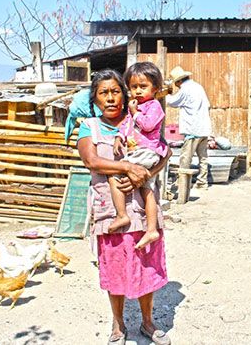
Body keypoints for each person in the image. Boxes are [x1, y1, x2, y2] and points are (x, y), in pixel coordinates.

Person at [76, 69, 172, 345]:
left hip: (142, 207)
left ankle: (147, 322)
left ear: (125, 93)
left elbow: (165, 152)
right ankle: (118, 325)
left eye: (115, 91)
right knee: (114, 267)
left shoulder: (139, 122)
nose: (110, 98)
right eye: (103, 93)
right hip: (110, 209)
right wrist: (128, 167)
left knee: (145, 265)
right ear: (95, 99)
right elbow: (92, 161)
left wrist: (147, 174)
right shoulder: (90, 127)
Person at [107, 62, 168, 250]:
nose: (138, 91)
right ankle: (151, 229)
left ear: (155, 88)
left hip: (147, 151)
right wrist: (119, 137)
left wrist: (135, 113)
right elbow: (126, 125)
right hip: (142, 153)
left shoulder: (154, 106)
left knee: (114, 173)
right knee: (147, 189)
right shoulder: (134, 109)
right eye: (134, 87)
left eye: (143, 86)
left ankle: (122, 214)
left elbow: (148, 125)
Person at [165, 66, 212, 189]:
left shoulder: (185, 89)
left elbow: (172, 102)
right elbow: (208, 105)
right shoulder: (198, 86)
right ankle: (202, 182)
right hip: (203, 128)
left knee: (186, 158)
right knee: (203, 157)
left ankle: (183, 184)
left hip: (193, 129)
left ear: (179, 81)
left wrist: (164, 94)